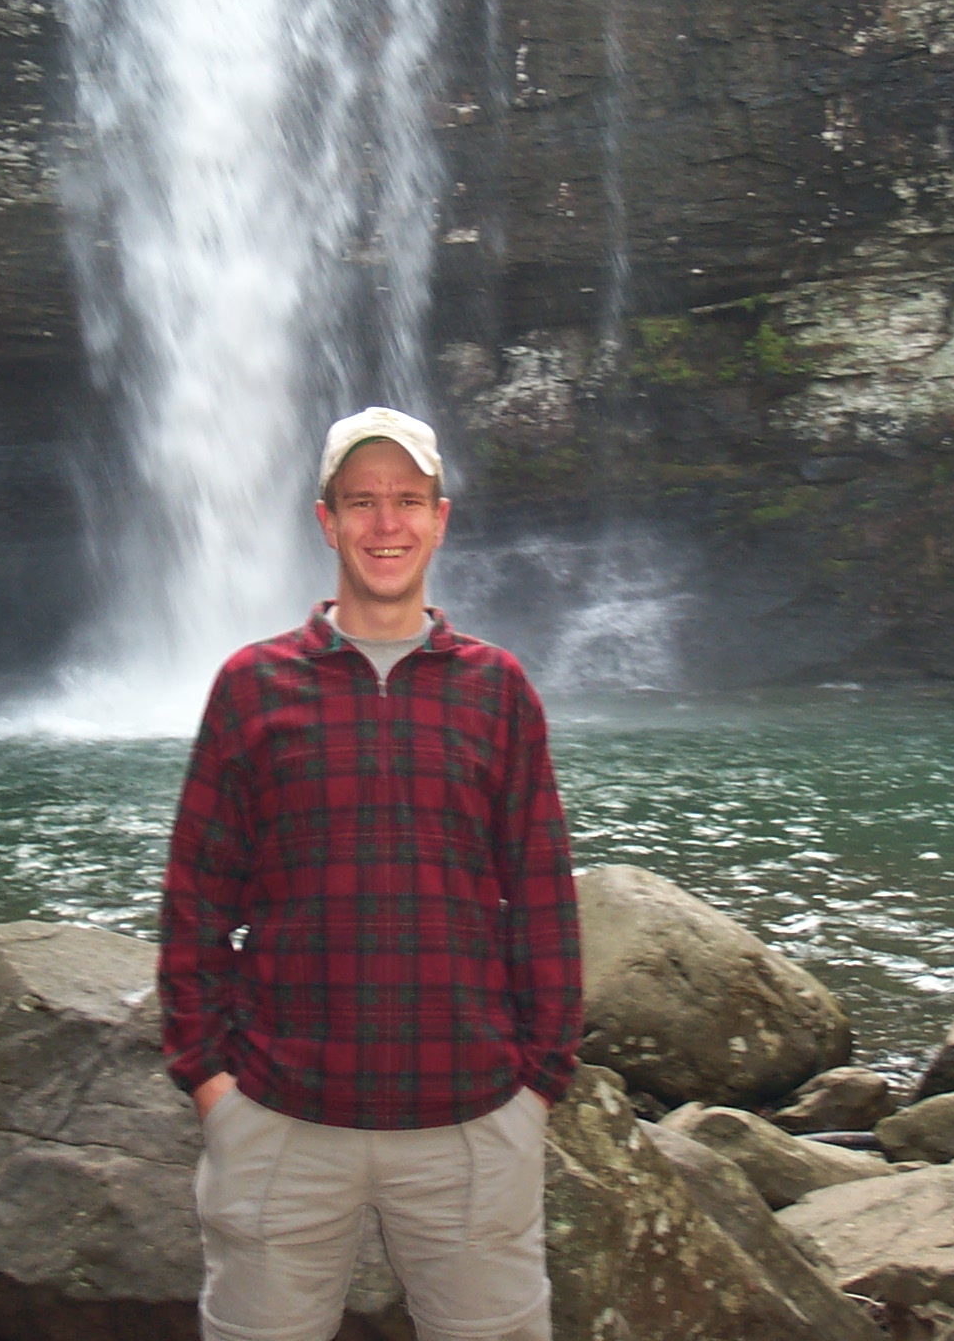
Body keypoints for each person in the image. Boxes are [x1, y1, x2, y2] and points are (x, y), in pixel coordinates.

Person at [158, 405, 583, 1341]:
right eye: (361, 502)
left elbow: (544, 900)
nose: (384, 525)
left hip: (471, 1123)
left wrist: (537, 1083)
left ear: (441, 518)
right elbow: (194, 902)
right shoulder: (252, 686)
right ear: (326, 521)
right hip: (279, 1120)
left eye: (406, 501)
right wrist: (210, 1084)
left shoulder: (498, 689)